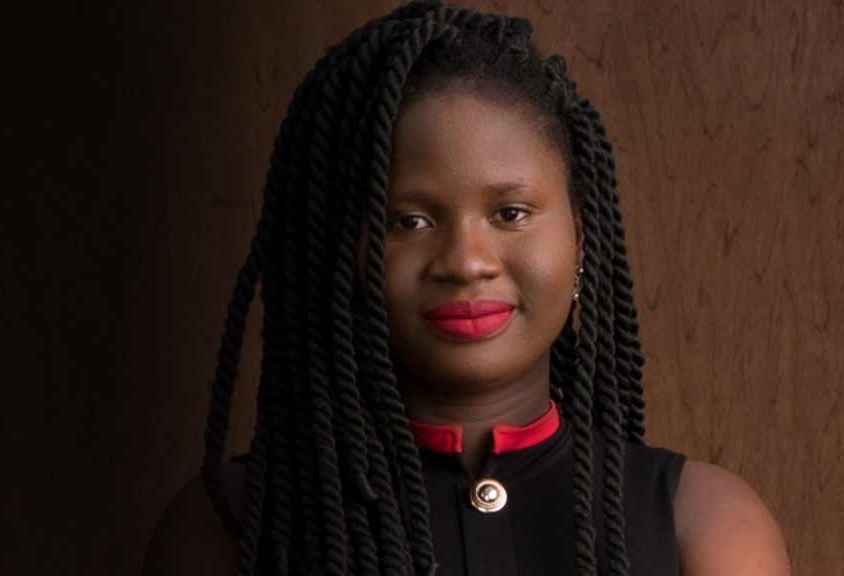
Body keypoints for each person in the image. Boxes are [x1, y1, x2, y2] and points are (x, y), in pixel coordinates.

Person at [143, 2, 791, 575]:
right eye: (410, 221)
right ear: (342, 257)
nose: (465, 261)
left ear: (582, 242)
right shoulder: (228, 528)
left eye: (510, 213)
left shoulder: (702, 523)